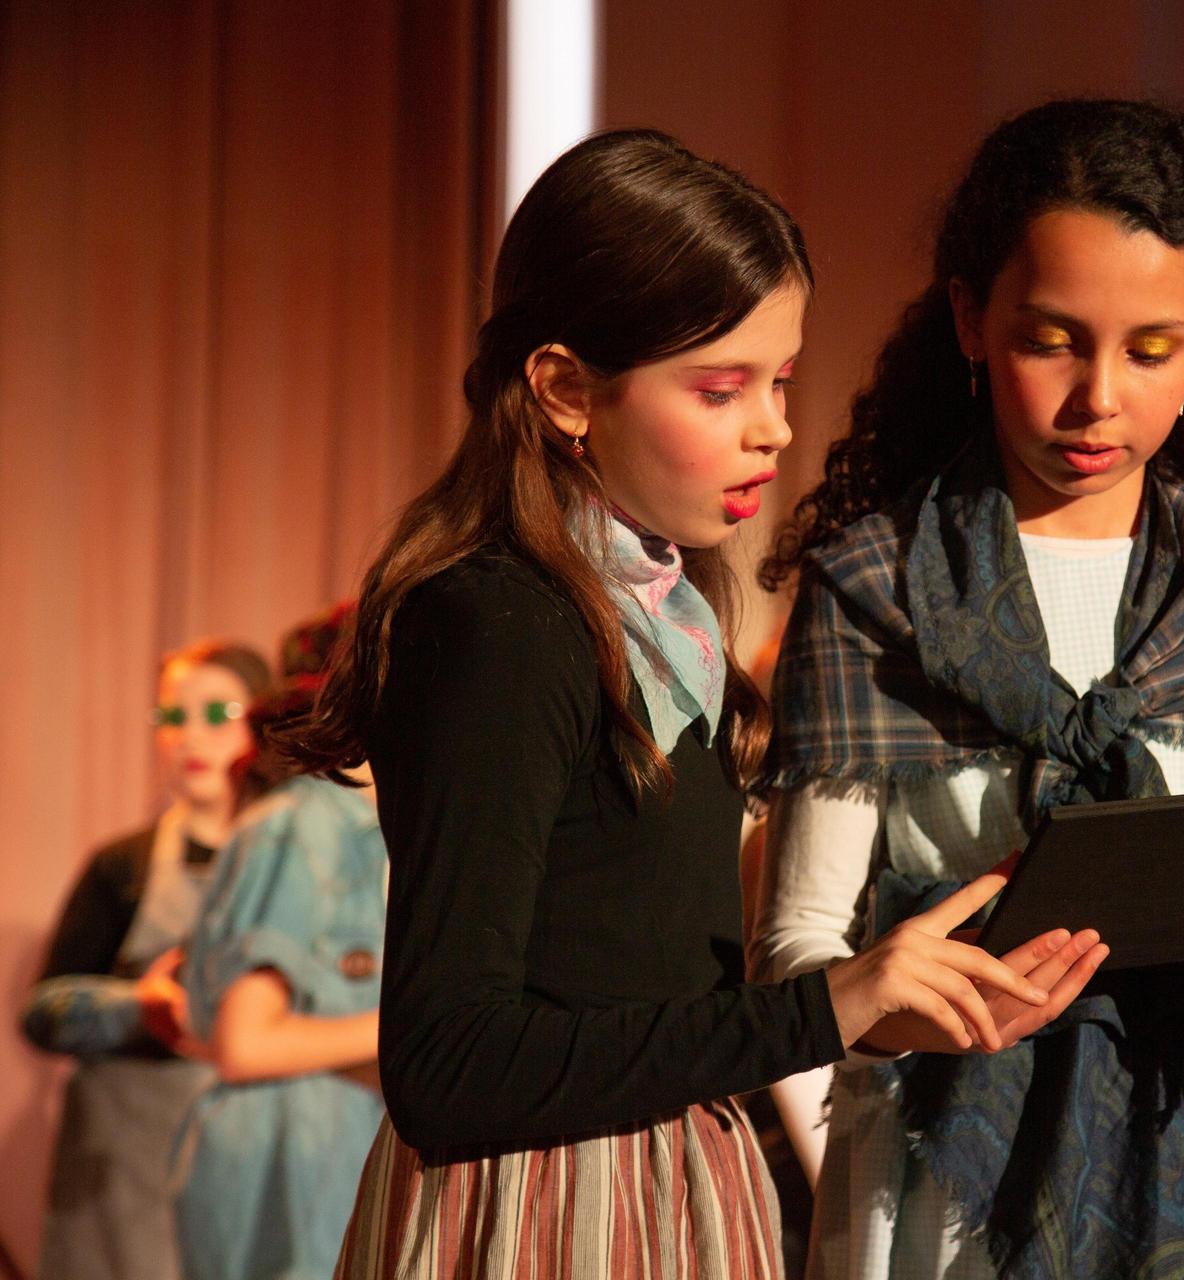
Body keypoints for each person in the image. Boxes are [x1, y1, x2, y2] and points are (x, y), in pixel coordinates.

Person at [274, 129, 1090, 1280]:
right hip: (550, 1210)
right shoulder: (498, 625)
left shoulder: (665, 614)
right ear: (565, 389)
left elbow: (643, 988)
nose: (774, 427)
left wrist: (874, 1003)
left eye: (779, 381)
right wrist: (823, 1005)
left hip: (673, 1178)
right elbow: (447, 1063)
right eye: (719, 388)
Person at [754, 99, 1184, 1279]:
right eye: (1052, 340)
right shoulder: (873, 591)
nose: (1099, 396)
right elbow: (799, 954)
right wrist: (918, 1002)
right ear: (970, 318)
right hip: (956, 1180)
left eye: (1152, 349)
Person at [22, 640, 270, 1280]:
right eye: (173, 716)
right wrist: (136, 1008)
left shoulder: (287, 866)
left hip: (249, 1160)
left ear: (264, 721)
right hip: (126, 1170)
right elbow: (42, 1012)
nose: (192, 735)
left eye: (216, 714)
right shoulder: (123, 866)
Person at [171, 604, 386, 1280]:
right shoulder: (305, 825)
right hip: (284, 1168)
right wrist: (418, 1030)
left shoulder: (357, 832)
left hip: (320, 1158)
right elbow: (247, 1040)